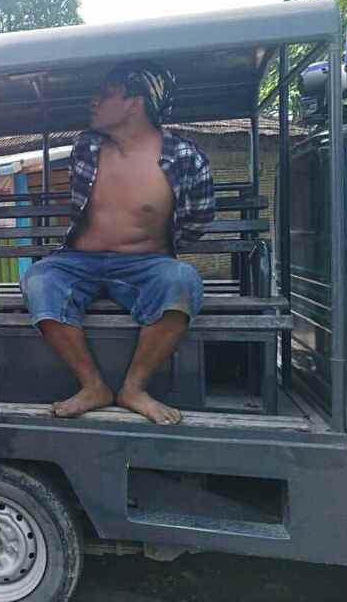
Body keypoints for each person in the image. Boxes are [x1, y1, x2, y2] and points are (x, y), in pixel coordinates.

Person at [20, 61, 215, 424]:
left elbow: (197, 221)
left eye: (106, 93)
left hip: (146, 264)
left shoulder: (187, 158)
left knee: (183, 281)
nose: (93, 100)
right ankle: (93, 386)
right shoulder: (86, 147)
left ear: (134, 104)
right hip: (79, 261)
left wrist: (158, 250)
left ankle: (134, 389)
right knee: (39, 279)